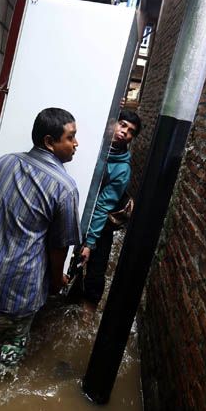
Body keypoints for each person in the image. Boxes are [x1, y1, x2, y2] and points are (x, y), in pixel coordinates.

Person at [0, 107, 81, 375]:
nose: (76, 144)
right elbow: (59, 247)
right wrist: (56, 281)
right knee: (1, 366)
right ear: (49, 142)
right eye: (70, 137)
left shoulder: (5, 161)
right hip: (13, 292)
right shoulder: (64, 187)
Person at [69, 109, 141, 319]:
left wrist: (90, 242)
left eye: (131, 131)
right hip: (77, 211)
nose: (124, 132)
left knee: (95, 274)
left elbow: (103, 206)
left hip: (101, 224)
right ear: (111, 123)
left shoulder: (122, 169)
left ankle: (87, 317)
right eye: (122, 124)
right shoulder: (91, 145)